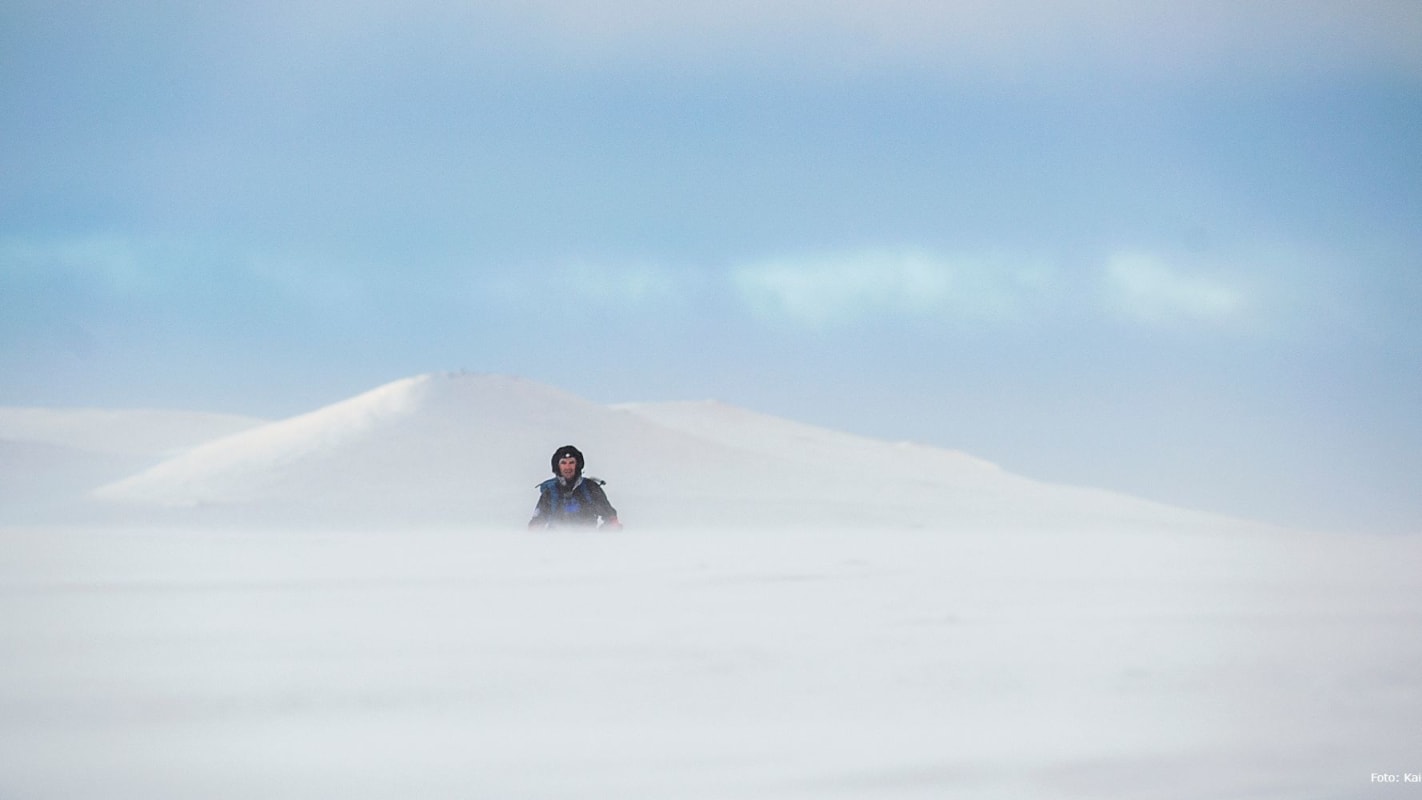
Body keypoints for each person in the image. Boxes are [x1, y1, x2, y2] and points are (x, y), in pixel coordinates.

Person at [528, 445, 622, 530]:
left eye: (571, 462)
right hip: (555, 544)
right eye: (563, 463)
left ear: (578, 465)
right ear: (557, 466)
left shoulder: (591, 488)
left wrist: (604, 538)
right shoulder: (550, 491)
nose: (568, 467)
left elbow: (611, 518)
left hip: (588, 543)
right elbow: (536, 523)